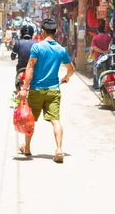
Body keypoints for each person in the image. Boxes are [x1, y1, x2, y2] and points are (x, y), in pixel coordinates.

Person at [18, 18, 75, 163]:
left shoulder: (37, 48)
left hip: (37, 90)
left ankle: (28, 148)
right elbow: (71, 69)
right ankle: (59, 149)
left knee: (30, 120)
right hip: (53, 90)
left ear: (42, 32)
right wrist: (66, 78)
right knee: (55, 120)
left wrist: (24, 89)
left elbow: (30, 68)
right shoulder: (61, 49)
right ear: (56, 32)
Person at [90, 21, 112, 89]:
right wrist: (106, 51)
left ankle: (96, 85)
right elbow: (112, 45)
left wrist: (91, 55)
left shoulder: (95, 38)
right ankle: (107, 84)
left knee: (95, 71)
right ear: (104, 30)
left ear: (98, 30)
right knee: (107, 70)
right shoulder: (108, 37)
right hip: (106, 57)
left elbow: (94, 48)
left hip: (97, 57)